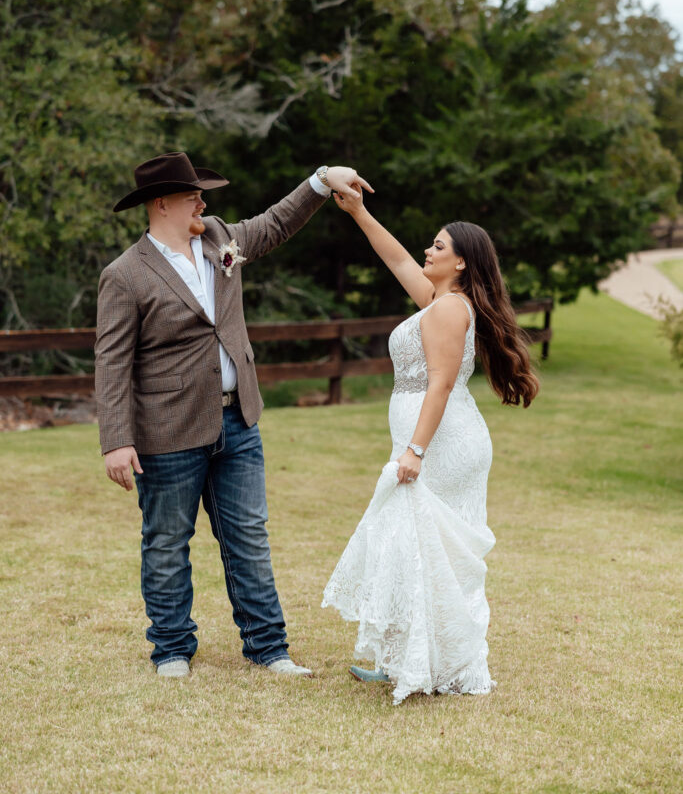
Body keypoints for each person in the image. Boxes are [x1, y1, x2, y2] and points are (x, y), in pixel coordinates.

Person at [96, 152, 371, 678]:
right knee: (167, 542)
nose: (203, 201)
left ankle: (269, 649)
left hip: (238, 421)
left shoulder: (219, 237)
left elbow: (273, 224)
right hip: (167, 429)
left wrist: (319, 181)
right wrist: (115, 440)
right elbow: (111, 362)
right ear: (162, 204)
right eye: (192, 194)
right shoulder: (125, 275)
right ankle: (172, 649)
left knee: (248, 534)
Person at [323, 186, 539, 704]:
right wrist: (360, 213)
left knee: (427, 550)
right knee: (419, 548)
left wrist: (415, 450)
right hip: (438, 439)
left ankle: (436, 665)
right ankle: (413, 660)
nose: (428, 250)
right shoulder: (441, 301)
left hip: (442, 444)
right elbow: (396, 257)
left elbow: (440, 382)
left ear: (461, 262)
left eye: (439, 247)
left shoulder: (446, 310)